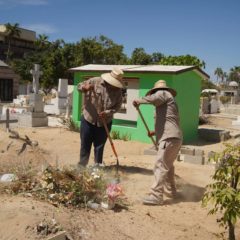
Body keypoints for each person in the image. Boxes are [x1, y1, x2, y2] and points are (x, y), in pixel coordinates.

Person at [133, 80, 182, 205]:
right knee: (168, 166)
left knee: (160, 165)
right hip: (173, 137)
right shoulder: (167, 103)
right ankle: (172, 192)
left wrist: (139, 100)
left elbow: (155, 98)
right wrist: (155, 132)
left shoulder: (164, 93)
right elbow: (169, 121)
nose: (155, 94)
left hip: (169, 138)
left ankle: (156, 196)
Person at [77, 68, 123, 167]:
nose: (113, 85)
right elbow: (79, 86)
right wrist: (85, 88)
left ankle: (97, 168)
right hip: (88, 119)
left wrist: (108, 112)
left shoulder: (118, 91)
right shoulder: (95, 81)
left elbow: (118, 106)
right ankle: (81, 167)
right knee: (85, 145)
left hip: (104, 123)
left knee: (99, 147)